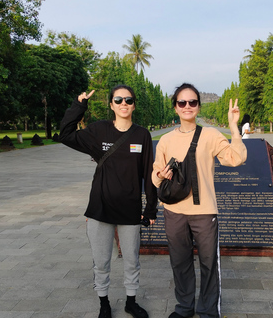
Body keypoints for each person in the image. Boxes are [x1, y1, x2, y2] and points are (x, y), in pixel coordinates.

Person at [60, 85, 157, 318]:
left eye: (129, 100)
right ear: (111, 104)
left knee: (132, 260)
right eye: (119, 99)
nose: (124, 103)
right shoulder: (99, 131)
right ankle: (103, 302)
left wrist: (150, 209)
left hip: (130, 210)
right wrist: (78, 105)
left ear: (134, 104)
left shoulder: (142, 134)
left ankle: (130, 302)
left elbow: (149, 173)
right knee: (101, 261)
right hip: (100, 209)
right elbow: (65, 134)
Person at [151, 83, 247, 318]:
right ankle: (184, 307)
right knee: (180, 262)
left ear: (198, 106)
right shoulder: (165, 140)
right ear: (175, 107)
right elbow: (155, 175)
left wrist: (234, 127)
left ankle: (208, 310)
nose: (187, 106)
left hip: (204, 211)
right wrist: (160, 175)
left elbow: (235, 159)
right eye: (182, 103)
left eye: (192, 102)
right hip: (173, 210)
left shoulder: (210, 135)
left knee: (208, 264)